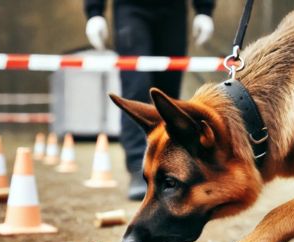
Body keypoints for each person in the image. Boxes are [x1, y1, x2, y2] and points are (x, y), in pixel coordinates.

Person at [84, 0, 216, 200]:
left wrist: (204, 9)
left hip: (174, 11)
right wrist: (95, 11)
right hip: (130, 9)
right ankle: (139, 169)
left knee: (167, 98)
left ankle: (170, 167)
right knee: (136, 88)